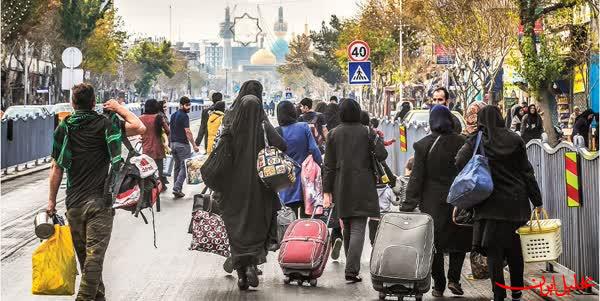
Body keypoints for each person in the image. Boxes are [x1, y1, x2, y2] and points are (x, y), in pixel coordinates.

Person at [47, 83, 146, 301]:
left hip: (73, 203)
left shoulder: (64, 128)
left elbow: (56, 167)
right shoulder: (105, 125)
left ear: (73, 104)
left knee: (87, 259)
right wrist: (119, 108)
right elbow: (139, 128)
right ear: (94, 102)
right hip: (100, 202)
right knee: (94, 258)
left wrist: (51, 202)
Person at [455, 105, 542, 301]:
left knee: (494, 251)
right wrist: (537, 200)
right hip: (515, 203)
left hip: (490, 204)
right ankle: (517, 292)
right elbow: (527, 172)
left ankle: (498, 293)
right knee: (514, 249)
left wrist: (477, 171)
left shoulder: (478, 139)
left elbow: (459, 160)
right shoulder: (515, 139)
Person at [400, 105, 472, 297]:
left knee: (434, 244)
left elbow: (416, 178)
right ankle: (454, 279)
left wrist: (408, 204)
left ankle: (438, 284)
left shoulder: (423, 145)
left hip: (432, 202)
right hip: (458, 200)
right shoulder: (463, 142)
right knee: (459, 239)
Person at [219, 94, 287, 290]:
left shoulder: (230, 129)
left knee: (237, 228)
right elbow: (282, 145)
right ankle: (252, 264)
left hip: (233, 190)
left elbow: (219, 157)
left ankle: (241, 273)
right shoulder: (263, 127)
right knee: (258, 224)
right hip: (261, 188)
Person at [323, 99, 387, 283]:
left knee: (347, 225)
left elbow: (328, 166)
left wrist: (327, 190)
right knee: (359, 225)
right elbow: (382, 155)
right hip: (364, 183)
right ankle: (351, 270)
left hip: (341, 184)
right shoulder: (367, 131)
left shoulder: (333, 134)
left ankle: (351, 267)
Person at [276, 100, 322, 215]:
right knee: (306, 217)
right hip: (305, 180)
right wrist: (319, 164)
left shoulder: (277, 131)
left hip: (286, 182)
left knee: (290, 219)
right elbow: (314, 149)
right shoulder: (303, 127)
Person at [170, 96, 199, 198]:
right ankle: (177, 188)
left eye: (189, 105)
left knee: (177, 167)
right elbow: (187, 131)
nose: (189, 107)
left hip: (173, 144)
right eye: (187, 105)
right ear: (181, 105)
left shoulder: (173, 115)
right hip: (182, 145)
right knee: (184, 167)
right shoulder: (184, 116)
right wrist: (194, 145)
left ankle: (177, 189)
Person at [140, 99, 170, 190]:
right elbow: (168, 131)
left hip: (146, 150)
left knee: (147, 171)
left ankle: (148, 189)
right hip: (158, 150)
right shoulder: (158, 117)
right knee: (159, 172)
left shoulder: (140, 118)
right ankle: (160, 187)